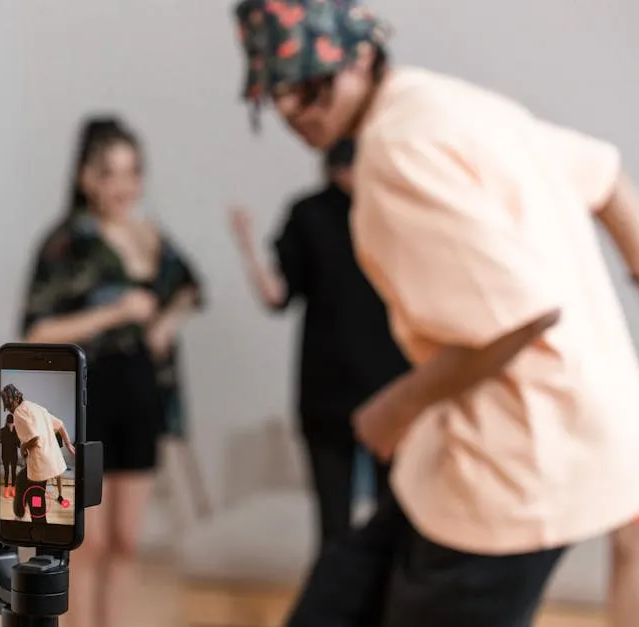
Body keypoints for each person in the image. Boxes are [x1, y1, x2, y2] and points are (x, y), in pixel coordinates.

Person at [230, 1, 639, 625]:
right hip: (497, 442)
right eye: (274, 93)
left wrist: (396, 407)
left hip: (515, 464)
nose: (291, 110)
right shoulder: (449, 103)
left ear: (363, 57)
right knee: (338, 596)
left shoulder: (396, 150)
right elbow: (606, 178)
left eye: (308, 85)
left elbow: (519, 317)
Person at [21, 116, 203, 627]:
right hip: (84, 397)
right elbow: (36, 331)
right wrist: (116, 313)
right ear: (86, 178)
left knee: (126, 540)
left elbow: (189, 287)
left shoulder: (150, 237)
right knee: (88, 542)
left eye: (132, 172)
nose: (124, 186)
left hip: (141, 392)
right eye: (110, 173)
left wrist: (164, 324)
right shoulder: (65, 243)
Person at [228, 140, 408, 546]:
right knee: (333, 528)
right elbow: (278, 295)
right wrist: (248, 247)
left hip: (392, 392)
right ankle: (337, 604)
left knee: (392, 521)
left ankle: (385, 608)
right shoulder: (308, 213)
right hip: (327, 395)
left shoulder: (397, 212)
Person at [0, 383, 76, 520]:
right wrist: (68, 444)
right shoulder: (36, 407)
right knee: (22, 479)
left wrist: (23, 448)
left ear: (16, 399)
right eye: (8, 407)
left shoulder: (18, 412)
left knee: (35, 497)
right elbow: (60, 424)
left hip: (40, 464)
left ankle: (40, 526)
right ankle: (19, 513)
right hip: (51, 461)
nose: (10, 410)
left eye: (10, 406)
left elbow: (34, 438)